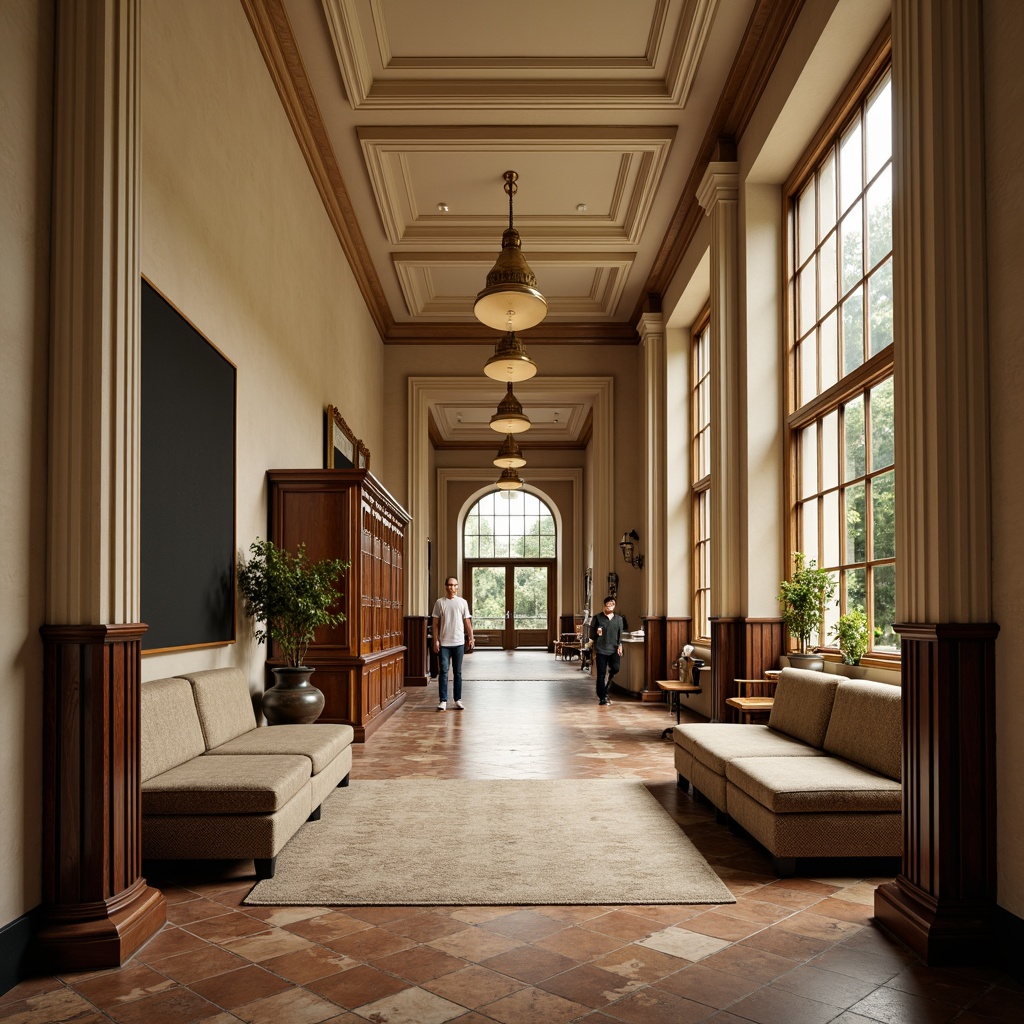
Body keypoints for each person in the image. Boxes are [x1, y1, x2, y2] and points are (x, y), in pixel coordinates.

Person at [431, 576, 474, 711]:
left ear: (457, 587)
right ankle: (443, 700)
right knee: (443, 671)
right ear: (446, 587)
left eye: (455, 585)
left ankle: (457, 699)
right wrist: (435, 640)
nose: (452, 588)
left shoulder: (462, 602)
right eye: (450, 585)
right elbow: (435, 623)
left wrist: (471, 637)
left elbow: (467, 621)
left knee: (458, 672)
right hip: (444, 643)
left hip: (459, 642)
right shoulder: (440, 602)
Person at [589, 596, 625, 705]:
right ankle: (602, 696)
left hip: (614, 648)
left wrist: (620, 645)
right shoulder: (597, 618)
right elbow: (591, 635)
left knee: (616, 668)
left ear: (615, 606)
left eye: (612, 604)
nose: (610, 606)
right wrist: (597, 633)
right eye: (608, 604)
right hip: (601, 649)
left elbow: (620, 634)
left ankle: (608, 682)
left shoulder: (619, 619)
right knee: (601, 674)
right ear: (604, 605)